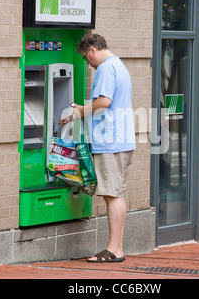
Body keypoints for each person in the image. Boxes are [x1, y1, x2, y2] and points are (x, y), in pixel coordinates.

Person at [59, 33, 135, 262]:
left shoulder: (104, 68)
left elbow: (104, 102)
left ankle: (114, 250)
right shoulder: (119, 65)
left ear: (92, 49)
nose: (87, 63)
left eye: (85, 58)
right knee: (116, 193)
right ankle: (117, 248)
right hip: (121, 140)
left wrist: (79, 111)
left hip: (110, 142)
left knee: (112, 195)